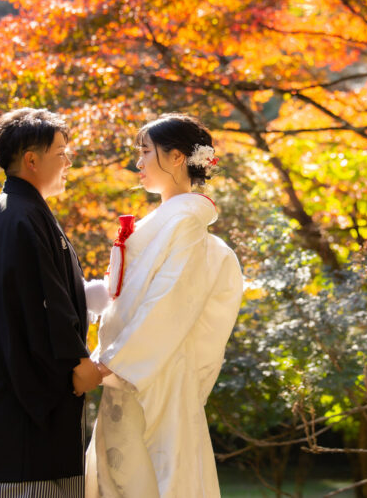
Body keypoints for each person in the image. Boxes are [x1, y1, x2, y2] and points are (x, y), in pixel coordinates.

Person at [83, 114, 244, 498]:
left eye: (145, 152)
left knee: (151, 474)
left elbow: (170, 300)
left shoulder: (185, 221)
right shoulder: (168, 219)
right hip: (132, 366)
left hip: (153, 370)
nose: (138, 162)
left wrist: (111, 363)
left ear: (176, 157)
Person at [0, 108, 102, 498]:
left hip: (9, 411)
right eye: (61, 153)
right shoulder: (18, 217)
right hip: (16, 422)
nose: (68, 163)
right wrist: (75, 363)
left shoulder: (19, 212)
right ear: (32, 160)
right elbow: (36, 305)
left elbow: (48, 296)